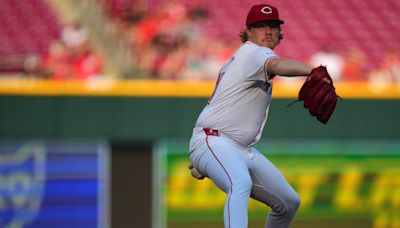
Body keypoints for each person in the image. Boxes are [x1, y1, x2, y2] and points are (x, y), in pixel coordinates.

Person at [188, 4, 318, 228]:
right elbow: (277, 64)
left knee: (288, 202)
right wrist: (313, 71)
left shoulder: (246, 57)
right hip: (215, 140)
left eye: (273, 26)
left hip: (237, 148)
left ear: (279, 33)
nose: (268, 31)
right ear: (248, 32)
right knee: (239, 182)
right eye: (260, 26)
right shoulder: (254, 52)